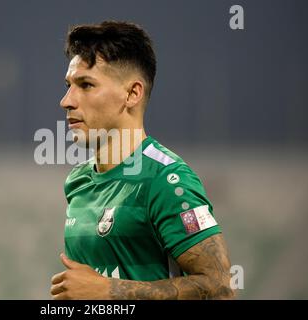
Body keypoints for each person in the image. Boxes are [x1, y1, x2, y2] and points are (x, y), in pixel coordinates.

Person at [50, 21, 234, 300]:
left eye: (86, 85)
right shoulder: (78, 182)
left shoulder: (167, 180)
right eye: (68, 85)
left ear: (132, 94)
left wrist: (111, 291)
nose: (67, 100)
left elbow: (220, 288)